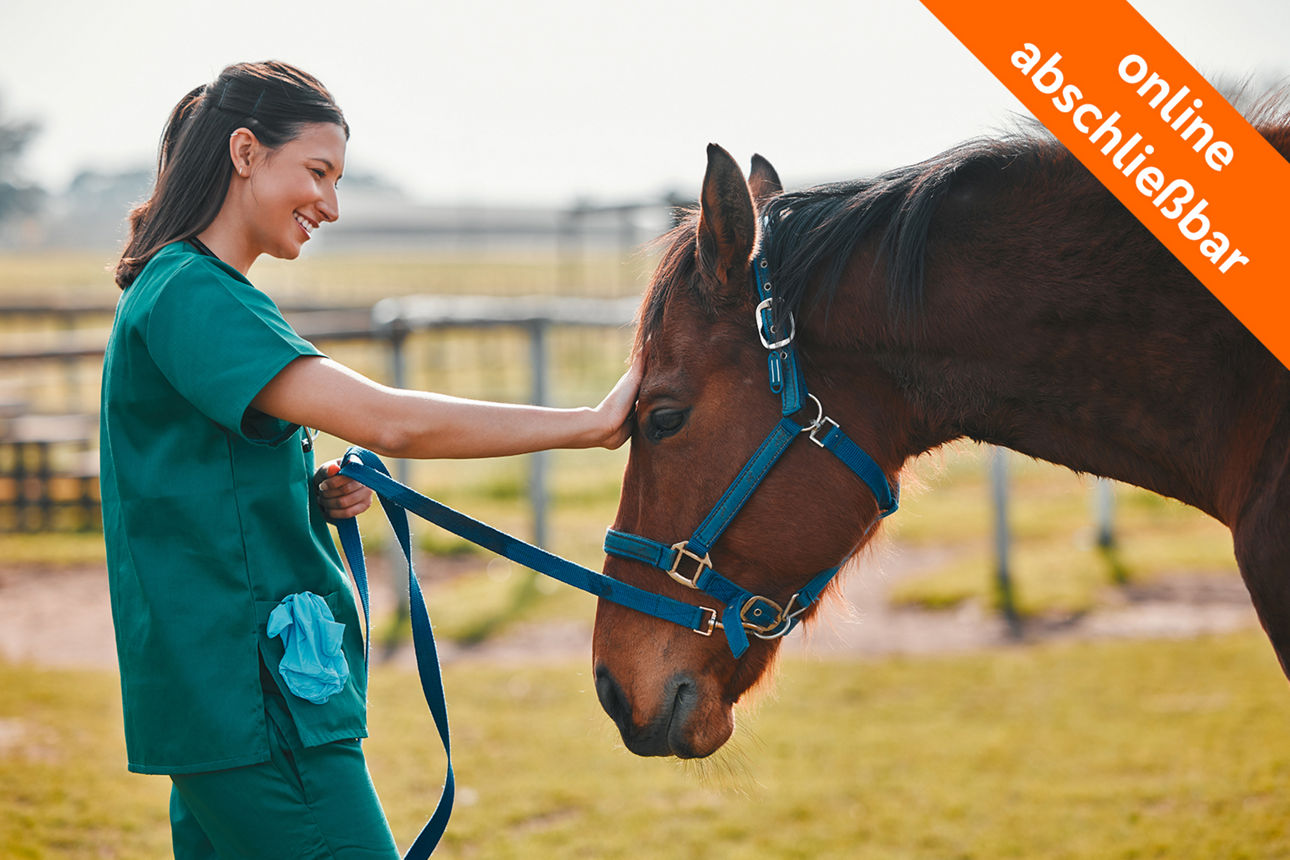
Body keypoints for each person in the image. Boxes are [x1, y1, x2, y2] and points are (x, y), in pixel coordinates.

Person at [101, 60, 640, 859]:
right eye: (316, 172)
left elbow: (192, 477)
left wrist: (300, 492)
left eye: (338, 179)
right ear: (244, 152)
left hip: (222, 699)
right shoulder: (193, 292)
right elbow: (389, 421)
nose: (332, 203)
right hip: (258, 703)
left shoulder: (179, 287)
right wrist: (588, 423)